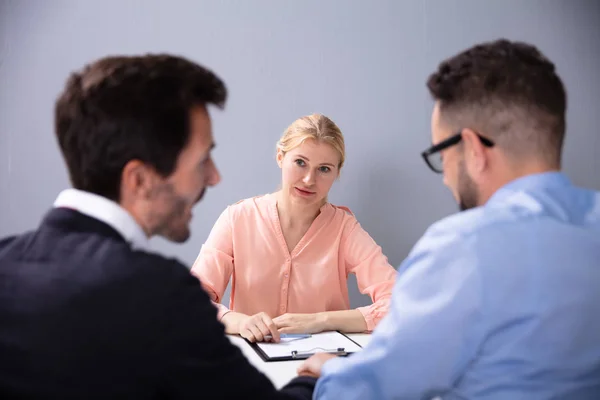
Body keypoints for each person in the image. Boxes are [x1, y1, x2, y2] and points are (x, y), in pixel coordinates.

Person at [0, 54, 317, 399]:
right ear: (140, 180)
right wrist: (318, 377)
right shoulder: (160, 294)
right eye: (202, 160)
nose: (214, 176)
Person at [297, 39, 600, 399]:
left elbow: (373, 390)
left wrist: (330, 371)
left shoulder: (464, 247)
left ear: (472, 149)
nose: (444, 177)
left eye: (441, 153)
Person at [191, 113, 397, 342]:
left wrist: (322, 321)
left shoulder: (344, 229)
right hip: (250, 362)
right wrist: (240, 322)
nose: (309, 179)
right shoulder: (237, 219)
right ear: (280, 157)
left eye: (324, 169)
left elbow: (399, 303)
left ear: (337, 173)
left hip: (320, 364)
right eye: (300, 163)